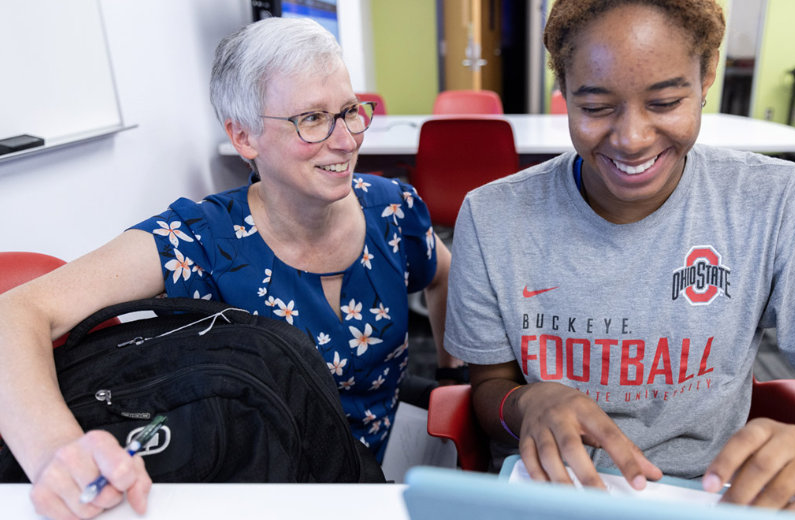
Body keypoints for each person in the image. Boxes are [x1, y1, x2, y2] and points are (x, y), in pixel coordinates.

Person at [443, 0, 795, 514]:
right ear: (563, 90)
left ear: (706, 77)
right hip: (546, 495)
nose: (632, 139)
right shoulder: (493, 216)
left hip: (705, 497)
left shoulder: (777, 202)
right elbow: (487, 387)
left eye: (664, 103)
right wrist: (524, 403)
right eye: (594, 107)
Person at [0, 17, 461, 520]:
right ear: (244, 137)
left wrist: (446, 370)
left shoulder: (392, 210)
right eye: (312, 118)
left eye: (349, 111)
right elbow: (14, 314)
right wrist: (55, 452)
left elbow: (441, 278)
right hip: (261, 485)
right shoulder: (200, 240)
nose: (347, 139)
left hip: (374, 479)